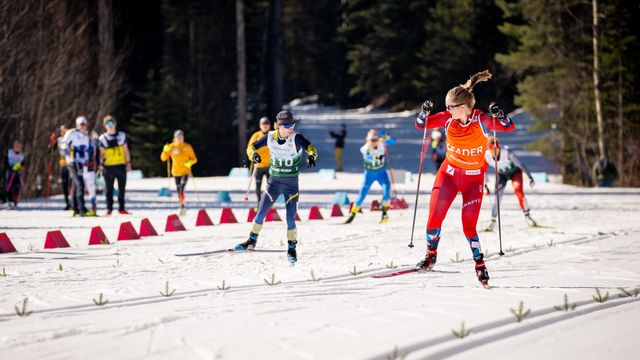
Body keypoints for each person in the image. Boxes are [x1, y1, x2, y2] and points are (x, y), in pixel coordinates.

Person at [414, 70, 515, 287]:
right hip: (448, 175)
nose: (446, 110)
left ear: (461, 107)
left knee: (468, 226)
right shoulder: (447, 119)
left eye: (449, 107)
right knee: (433, 219)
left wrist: (500, 114)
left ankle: (480, 265)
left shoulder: (481, 120)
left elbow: (509, 126)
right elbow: (421, 125)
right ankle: (431, 255)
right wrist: (423, 112)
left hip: (473, 180)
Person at [235, 110, 318, 264]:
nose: (291, 127)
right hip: (273, 184)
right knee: (260, 212)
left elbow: (311, 147)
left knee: (290, 218)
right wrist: (253, 155)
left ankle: (291, 248)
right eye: (287, 125)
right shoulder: (270, 137)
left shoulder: (296, 138)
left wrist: (312, 155)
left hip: (291, 187)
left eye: (292, 124)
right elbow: (250, 147)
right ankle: (251, 241)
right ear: (279, 126)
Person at [484, 136, 537, 230]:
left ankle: (527, 216)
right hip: (502, 175)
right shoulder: (487, 155)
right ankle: (493, 220)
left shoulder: (507, 152)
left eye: (496, 150)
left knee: (518, 191)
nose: (494, 152)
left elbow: (520, 164)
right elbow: (483, 170)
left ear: (498, 147)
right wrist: (485, 185)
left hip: (514, 173)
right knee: (497, 197)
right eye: (492, 150)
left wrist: (530, 177)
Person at [345, 129, 393, 224]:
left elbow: (392, 141)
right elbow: (371, 156)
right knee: (362, 194)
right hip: (369, 175)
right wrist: (382, 144)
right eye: (372, 140)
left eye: (376, 140)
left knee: (387, 190)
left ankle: (384, 213)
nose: (374, 142)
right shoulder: (365, 148)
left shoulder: (382, 144)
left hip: (381, 174)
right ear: (368, 140)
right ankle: (353, 213)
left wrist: (386, 136)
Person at [61, 116, 94, 216]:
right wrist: (66, 150)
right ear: (77, 124)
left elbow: (87, 150)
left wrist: (88, 160)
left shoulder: (86, 135)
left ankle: (75, 207)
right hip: (72, 162)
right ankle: (81, 208)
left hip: (81, 163)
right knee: (80, 184)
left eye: (84, 124)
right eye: (81, 124)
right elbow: (63, 143)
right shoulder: (71, 132)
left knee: (76, 185)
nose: (83, 126)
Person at [98, 115, 132, 215]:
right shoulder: (103, 138)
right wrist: (100, 164)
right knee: (109, 189)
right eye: (108, 124)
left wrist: (128, 163)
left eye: (112, 123)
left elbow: (126, 151)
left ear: (115, 124)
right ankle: (109, 209)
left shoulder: (121, 135)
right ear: (105, 126)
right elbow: (101, 153)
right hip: (108, 167)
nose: (110, 125)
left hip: (121, 165)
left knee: (122, 188)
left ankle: (121, 208)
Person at [160, 129, 197, 215]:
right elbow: (163, 158)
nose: (179, 139)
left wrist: (190, 162)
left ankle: (182, 205)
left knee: (181, 188)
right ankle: (182, 205)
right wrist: (165, 151)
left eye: (181, 137)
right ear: (175, 138)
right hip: (176, 172)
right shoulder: (172, 147)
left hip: (185, 171)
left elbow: (194, 159)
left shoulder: (187, 146)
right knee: (178, 190)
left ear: (183, 137)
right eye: (178, 137)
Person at [246, 117, 272, 206]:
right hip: (259, 166)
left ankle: (269, 204)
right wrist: (253, 155)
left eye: (266, 124)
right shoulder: (256, 136)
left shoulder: (274, 135)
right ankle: (259, 204)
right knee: (258, 187)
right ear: (260, 125)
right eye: (263, 124)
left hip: (270, 166)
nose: (265, 126)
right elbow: (249, 148)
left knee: (270, 187)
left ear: (269, 125)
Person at [4, 140, 25, 208]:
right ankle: (8, 200)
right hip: (10, 172)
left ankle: (15, 201)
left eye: (18, 146)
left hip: (17, 173)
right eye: (16, 146)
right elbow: (6, 163)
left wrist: (19, 167)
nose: (17, 147)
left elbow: (23, 165)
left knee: (17, 186)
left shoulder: (21, 155)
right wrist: (11, 167)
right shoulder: (9, 153)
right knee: (9, 186)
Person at [83, 131, 100, 215]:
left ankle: (93, 208)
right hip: (79, 168)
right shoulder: (77, 142)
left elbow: (97, 155)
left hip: (90, 168)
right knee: (79, 189)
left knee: (91, 188)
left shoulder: (93, 143)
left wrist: (99, 166)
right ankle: (79, 208)